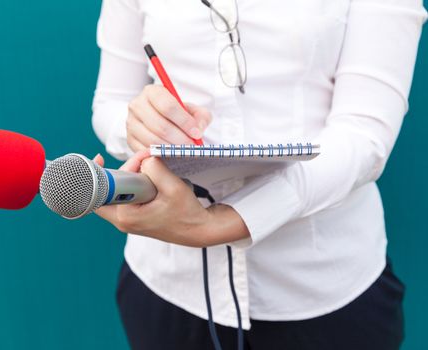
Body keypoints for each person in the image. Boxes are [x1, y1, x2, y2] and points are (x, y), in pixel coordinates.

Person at [91, 0, 427, 349]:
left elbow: (364, 135)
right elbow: (110, 104)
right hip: (168, 283)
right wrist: (138, 127)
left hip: (323, 288)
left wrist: (231, 221)